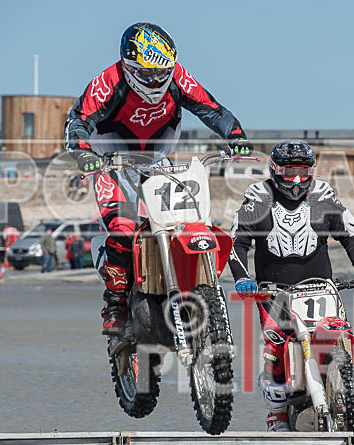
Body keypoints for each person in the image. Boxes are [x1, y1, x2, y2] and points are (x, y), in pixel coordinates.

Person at [64, 22, 251, 336]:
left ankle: (188, 286)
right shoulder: (107, 83)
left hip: (159, 163)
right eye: (148, 74)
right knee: (123, 231)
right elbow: (77, 121)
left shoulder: (177, 76)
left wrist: (236, 136)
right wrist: (84, 153)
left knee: (189, 222)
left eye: (162, 73)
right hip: (110, 163)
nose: (156, 80)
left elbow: (212, 109)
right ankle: (115, 305)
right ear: (130, 66)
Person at [228, 139, 354, 431]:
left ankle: (343, 390)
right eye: (289, 172)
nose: (296, 180)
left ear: (312, 170)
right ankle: (276, 413)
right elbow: (238, 243)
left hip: (322, 287)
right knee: (275, 346)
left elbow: (351, 235)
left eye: (303, 171)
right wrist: (242, 278)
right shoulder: (258, 197)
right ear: (275, 170)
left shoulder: (323, 196)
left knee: (340, 336)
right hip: (273, 291)